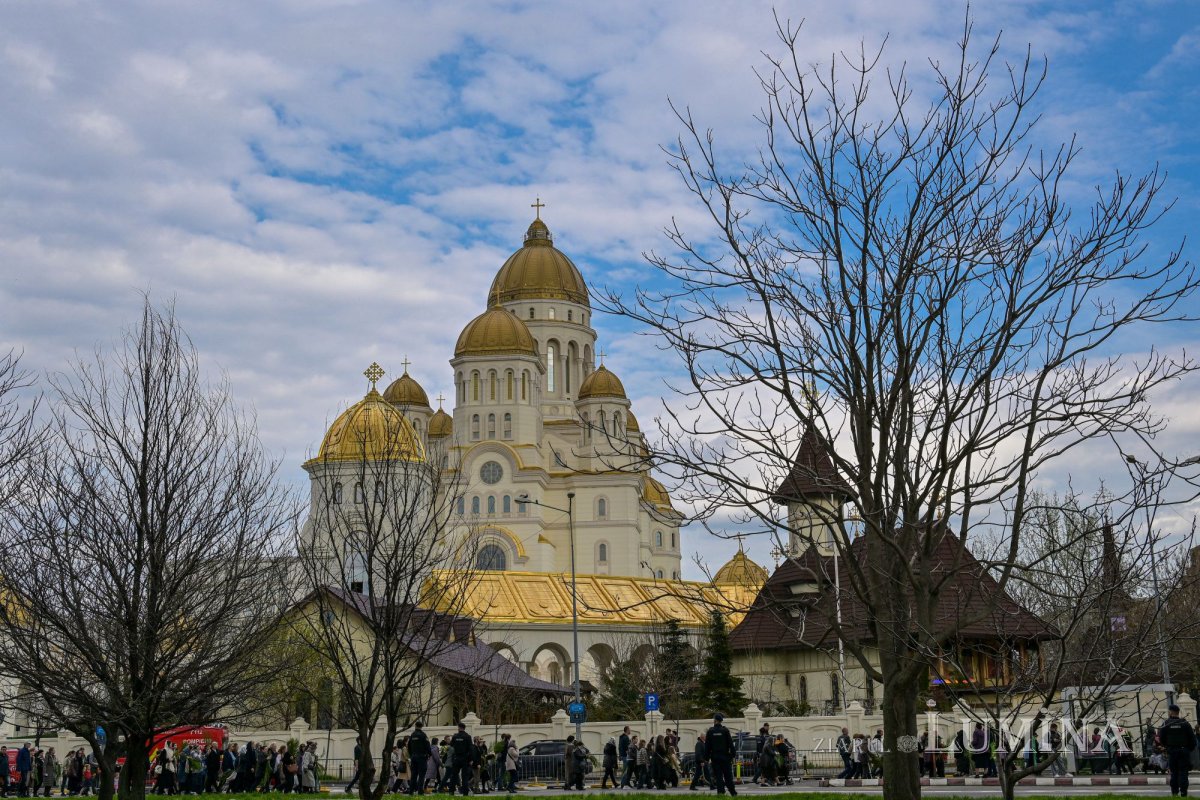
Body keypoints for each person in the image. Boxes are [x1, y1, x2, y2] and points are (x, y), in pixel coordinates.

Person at [1160, 704, 1197, 798]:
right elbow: (1192, 740)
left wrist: (1168, 748)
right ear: (1178, 712)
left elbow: (1161, 739)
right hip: (1183, 751)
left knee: (1174, 773)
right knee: (1183, 772)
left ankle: (1174, 793)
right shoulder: (1185, 723)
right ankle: (1184, 793)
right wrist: (1188, 749)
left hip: (1172, 752)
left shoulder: (1166, 723)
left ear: (1170, 712)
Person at [705, 713, 736, 796]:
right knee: (728, 776)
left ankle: (721, 792)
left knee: (718, 776)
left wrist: (706, 759)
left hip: (715, 758)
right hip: (725, 757)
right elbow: (731, 744)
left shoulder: (710, 731)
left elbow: (707, 746)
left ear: (715, 720)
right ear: (721, 721)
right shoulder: (725, 731)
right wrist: (733, 755)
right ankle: (733, 792)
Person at [449, 723, 473, 796]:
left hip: (456, 758)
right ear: (464, 728)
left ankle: (451, 792)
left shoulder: (455, 736)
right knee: (465, 776)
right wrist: (471, 759)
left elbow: (451, 745)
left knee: (454, 775)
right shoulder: (468, 737)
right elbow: (470, 749)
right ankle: (465, 793)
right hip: (465, 758)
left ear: (459, 727)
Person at [407, 722, 430, 795]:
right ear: (422, 726)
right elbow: (427, 746)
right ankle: (420, 792)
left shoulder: (412, 735)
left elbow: (409, 746)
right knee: (421, 776)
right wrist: (429, 754)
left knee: (413, 775)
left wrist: (412, 755)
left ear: (415, 726)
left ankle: (411, 792)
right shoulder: (423, 735)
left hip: (414, 757)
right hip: (422, 758)